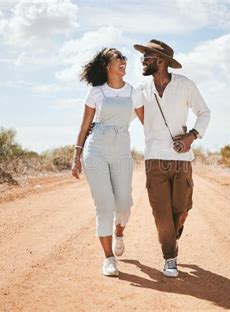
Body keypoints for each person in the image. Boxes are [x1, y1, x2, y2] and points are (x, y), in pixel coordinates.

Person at [133, 39, 210, 277]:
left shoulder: (185, 85)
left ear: (161, 61)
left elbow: (204, 113)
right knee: (161, 212)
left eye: (147, 57)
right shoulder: (140, 89)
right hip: (154, 158)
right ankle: (170, 257)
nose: (142, 60)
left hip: (183, 159)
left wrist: (191, 136)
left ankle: (176, 229)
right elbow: (135, 115)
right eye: (143, 56)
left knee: (182, 208)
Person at [71, 47, 144, 277]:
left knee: (124, 204)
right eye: (118, 58)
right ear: (107, 66)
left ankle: (119, 231)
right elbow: (84, 127)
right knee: (104, 205)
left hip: (121, 149)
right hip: (96, 150)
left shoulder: (133, 92)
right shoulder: (96, 93)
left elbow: (148, 124)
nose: (123, 61)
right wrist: (76, 156)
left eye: (124, 58)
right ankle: (108, 259)